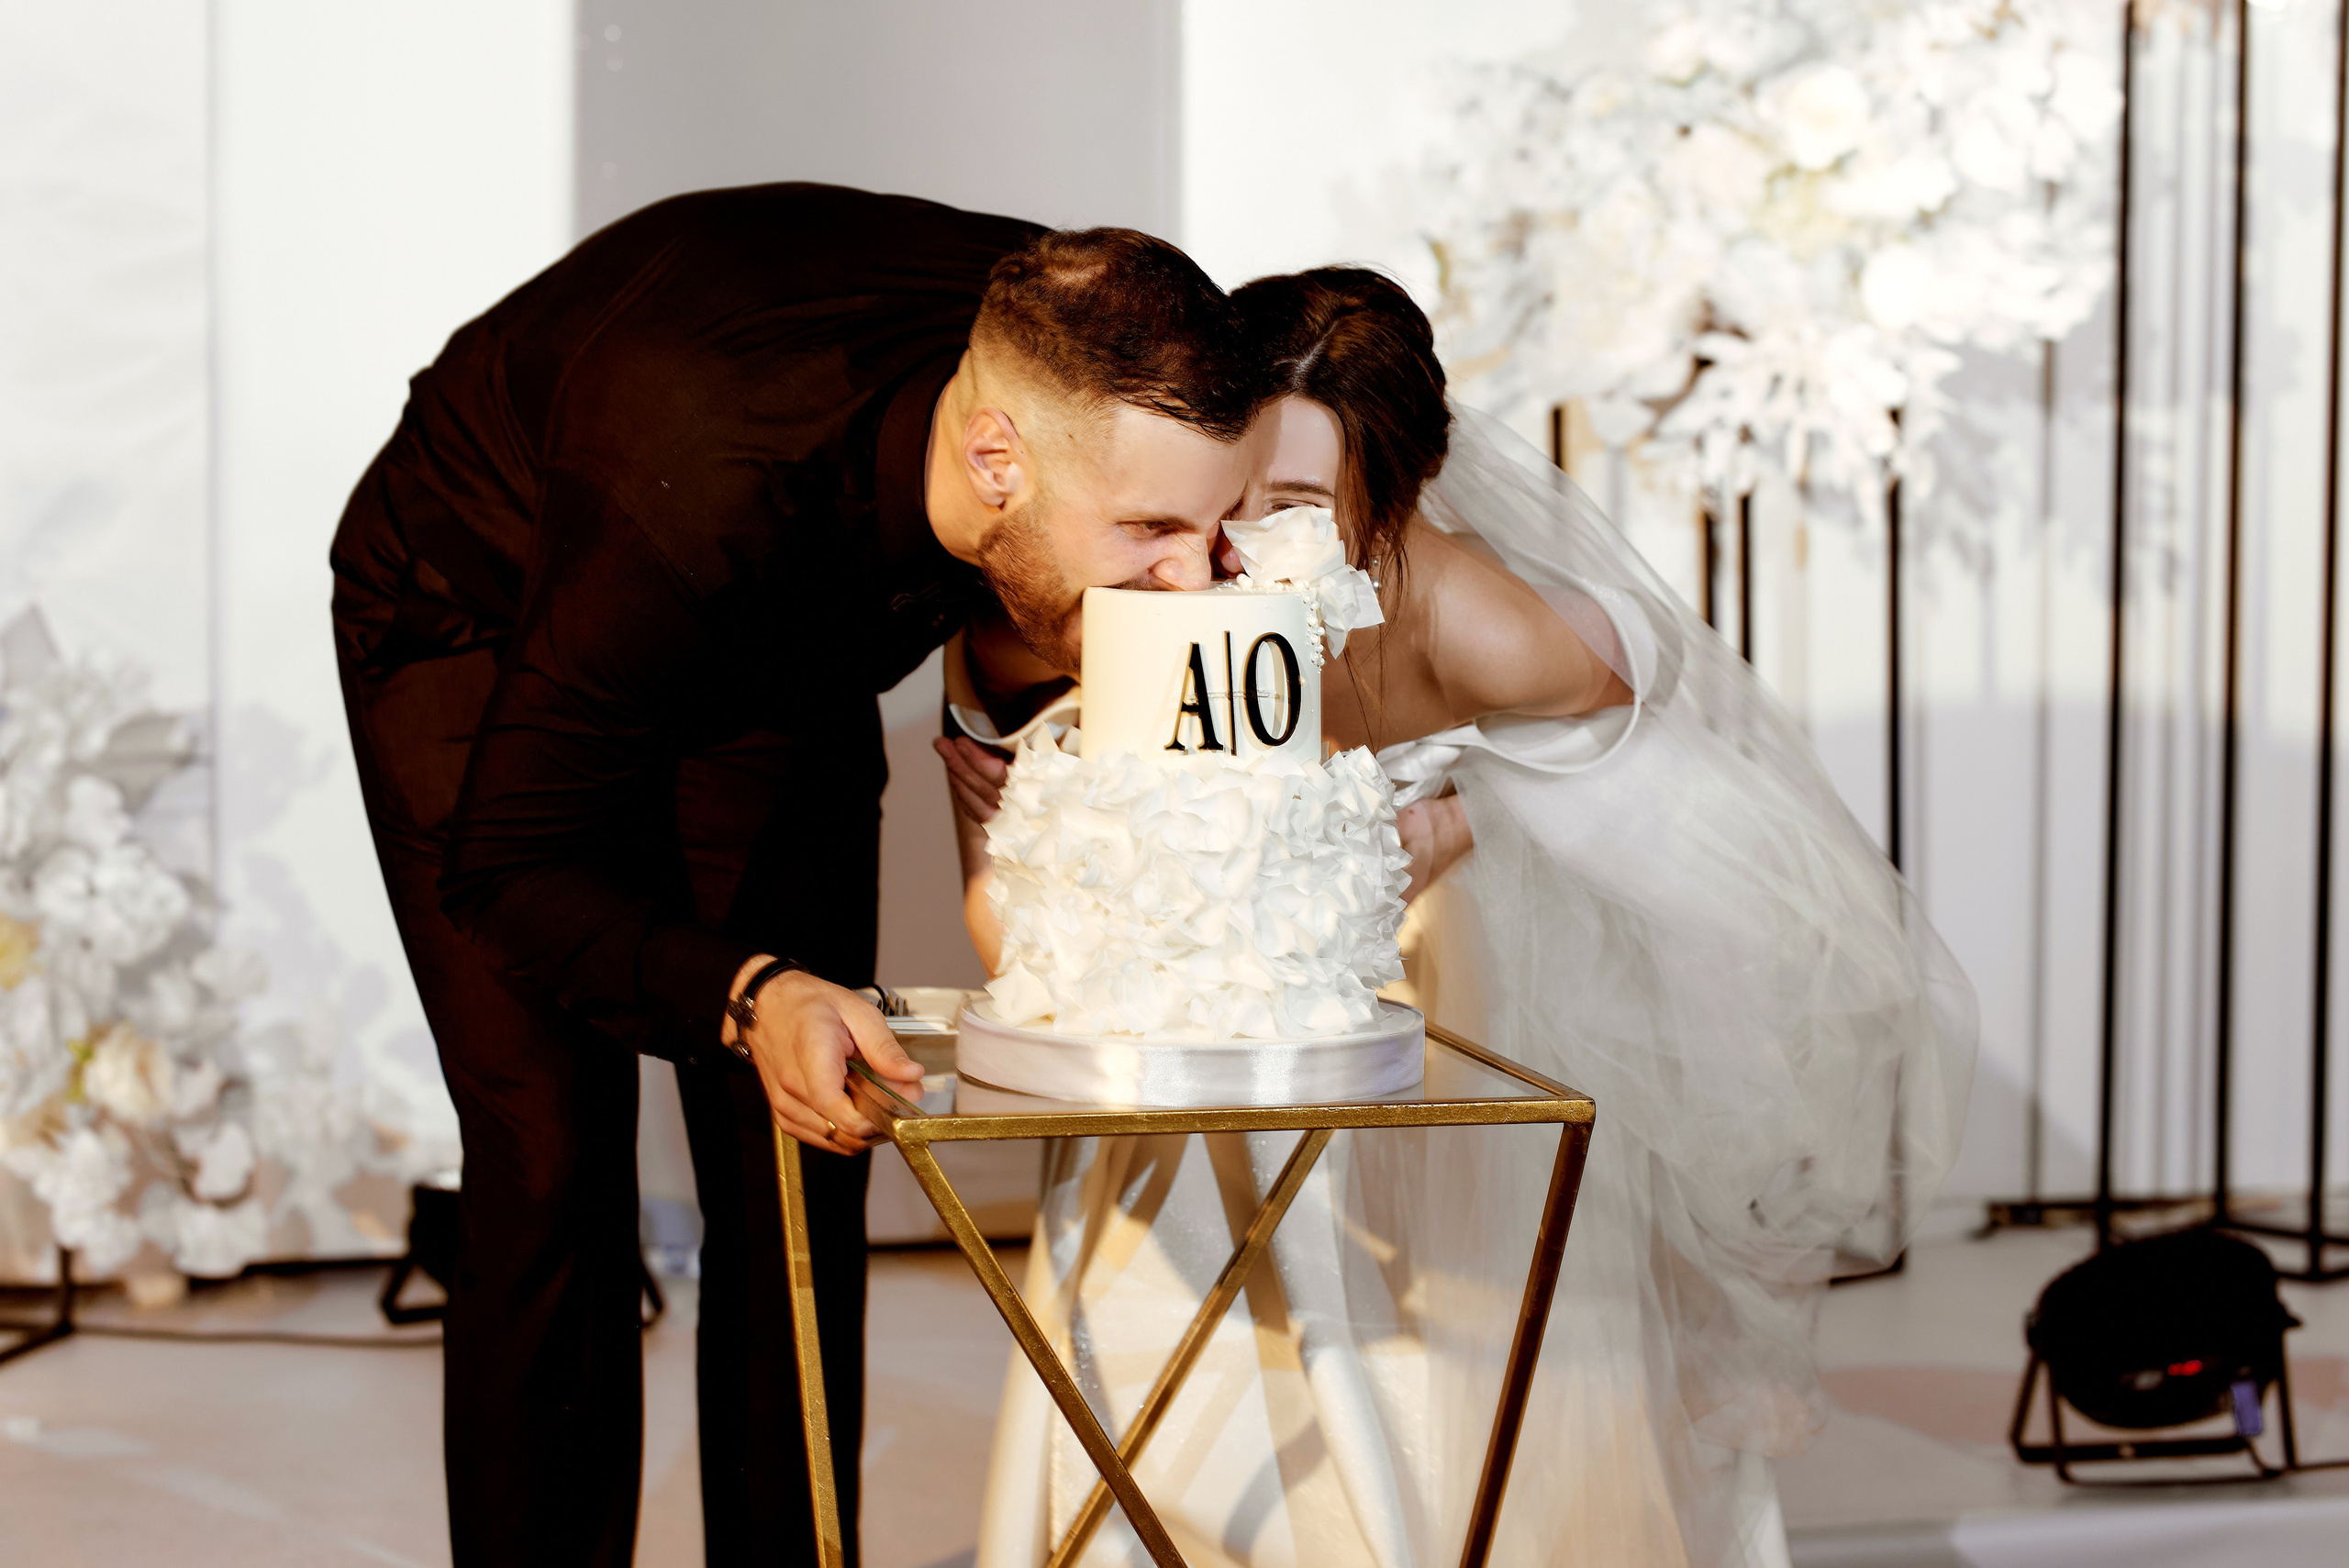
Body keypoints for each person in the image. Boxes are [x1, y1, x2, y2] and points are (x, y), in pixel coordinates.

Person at [939, 270, 1975, 1567]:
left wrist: (1467, 811)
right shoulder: (1156, 590)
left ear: (1396, 502)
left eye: (1299, 509)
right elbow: (1041, 896)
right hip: (1207, 1010)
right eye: (1229, 499)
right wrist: (1008, 805)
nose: (1237, 549)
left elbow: (1659, 753)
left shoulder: (1491, 625)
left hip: (1411, 1007)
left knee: (1431, 1374)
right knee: (1171, 1302)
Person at [328, 183, 1268, 1568]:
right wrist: (746, 987)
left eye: (1215, 524)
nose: (1197, 582)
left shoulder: (1080, 346)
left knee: (807, 1135)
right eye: (1149, 536)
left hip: (771, 631)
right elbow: (511, 863)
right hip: (481, 600)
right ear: (996, 459)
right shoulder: (697, 475)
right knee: (551, 1154)